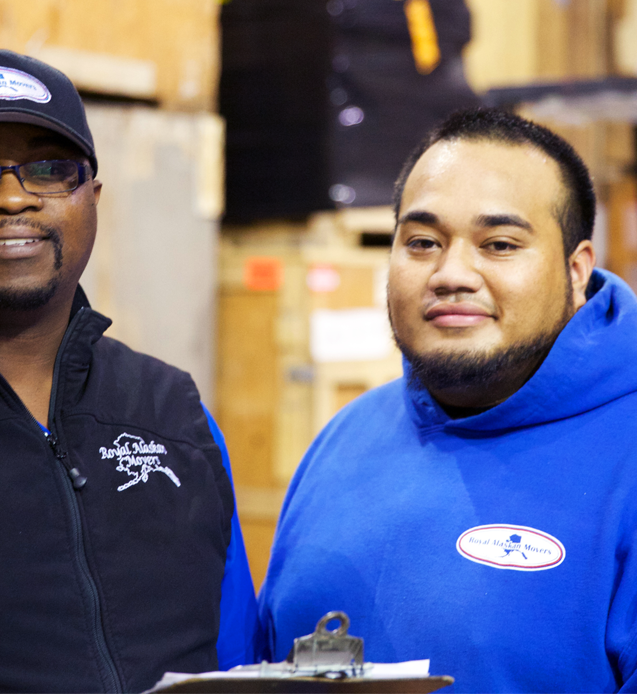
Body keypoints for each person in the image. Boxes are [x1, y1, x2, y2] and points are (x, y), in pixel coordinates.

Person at [0, 49, 258, 694]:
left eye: (51, 171)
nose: (13, 198)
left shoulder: (173, 414)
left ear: (92, 199)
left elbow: (236, 658)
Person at [258, 108, 637, 693]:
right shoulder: (344, 438)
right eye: (423, 242)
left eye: (500, 244)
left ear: (577, 270)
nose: (451, 273)